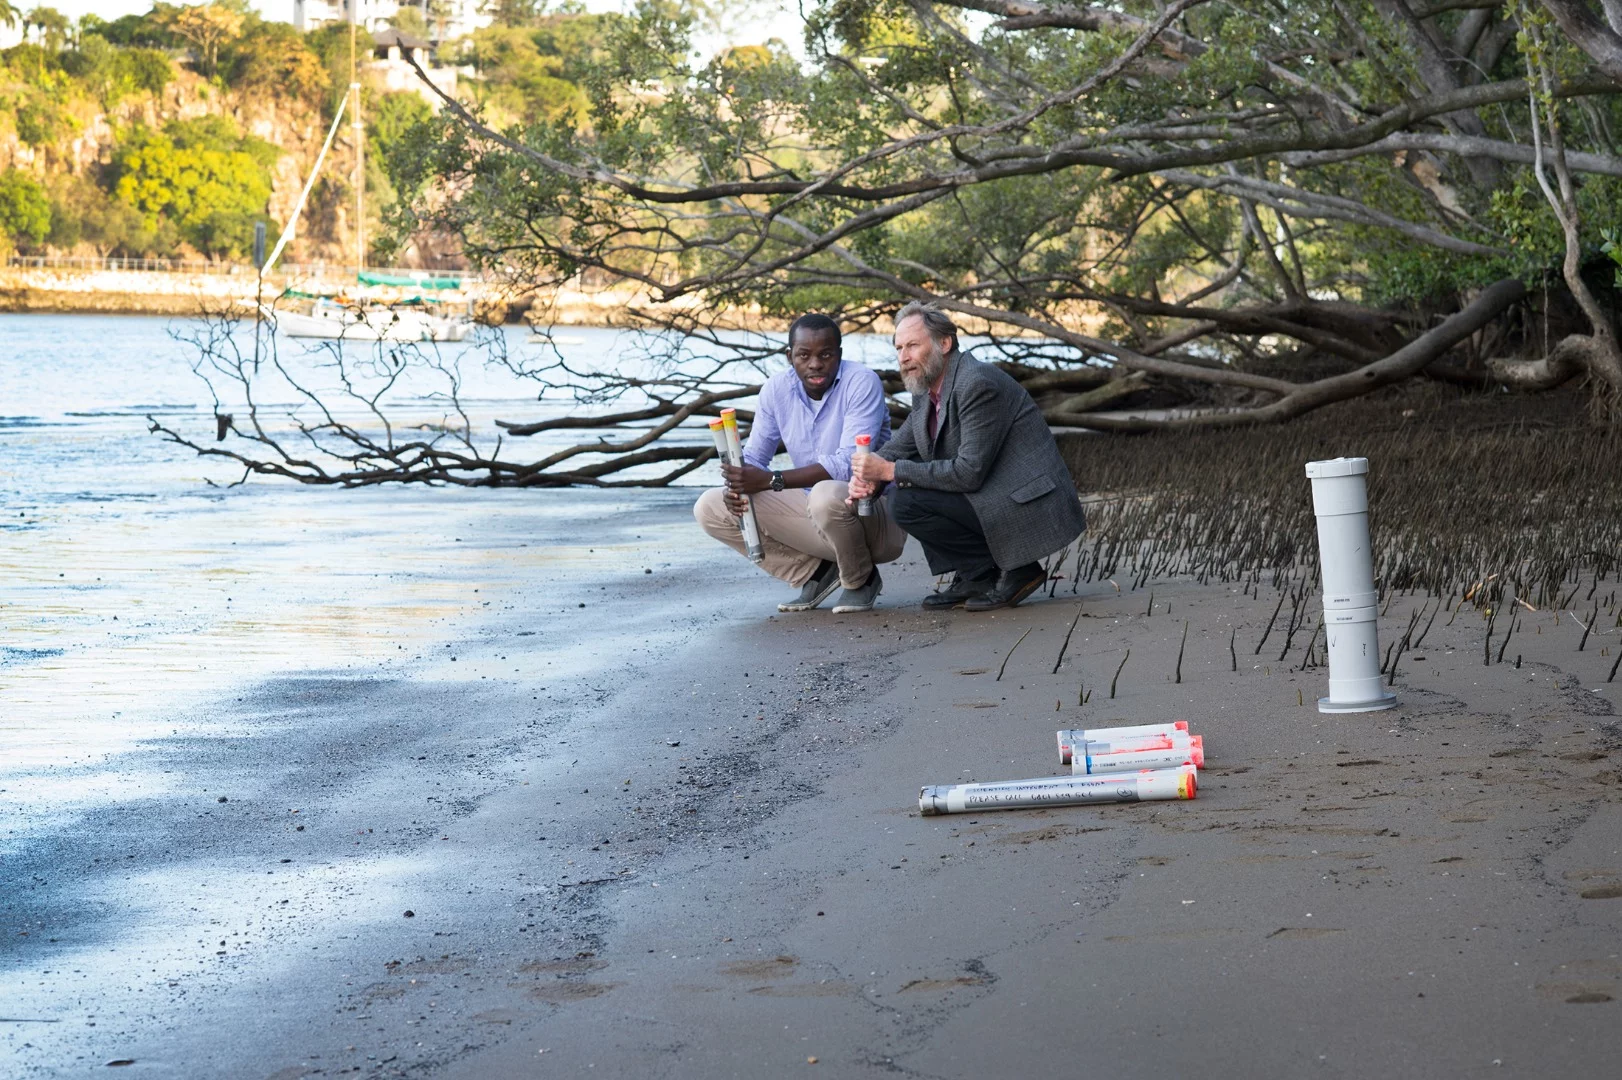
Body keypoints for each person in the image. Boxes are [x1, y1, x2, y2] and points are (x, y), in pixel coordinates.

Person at [849, 301, 1085, 611]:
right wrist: (869, 478)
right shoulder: (926, 388)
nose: (903, 357)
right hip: (994, 493)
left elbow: (969, 472)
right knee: (904, 492)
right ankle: (977, 575)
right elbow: (899, 445)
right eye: (898, 348)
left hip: (1027, 503)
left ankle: (1019, 569)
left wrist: (889, 472)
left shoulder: (977, 383)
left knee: (907, 497)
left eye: (912, 346)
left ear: (944, 343)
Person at [694, 313, 906, 613]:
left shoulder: (862, 381)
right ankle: (816, 572)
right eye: (804, 355)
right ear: (789, 356)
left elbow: (850, 463)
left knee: (825, 493)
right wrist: (736, 486)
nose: (815, 364)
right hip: (816, 514)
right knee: (709, 506)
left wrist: (771, 480)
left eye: (826, 355)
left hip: (874, 517)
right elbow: (754, 458)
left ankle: (861, 579)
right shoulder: (776, 390)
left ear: (840, 355)